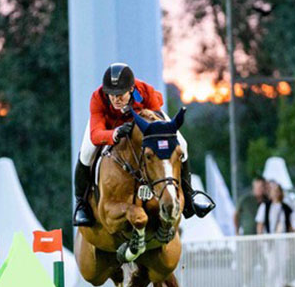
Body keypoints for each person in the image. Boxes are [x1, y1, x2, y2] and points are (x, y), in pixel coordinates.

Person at [72, 63, 211, 226]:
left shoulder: (146, 91)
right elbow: (96, 135)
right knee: (86, 153)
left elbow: (156, 121)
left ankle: (189, 197)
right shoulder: (98, 98)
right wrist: (115, 133)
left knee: (182, 143)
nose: (115, 99)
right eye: (112, 95)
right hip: (109, 126)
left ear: (131, 89)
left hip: (142, 122)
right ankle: (82, 204)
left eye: (120, 95)